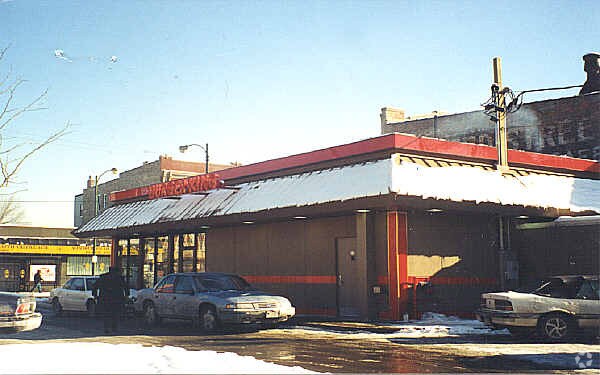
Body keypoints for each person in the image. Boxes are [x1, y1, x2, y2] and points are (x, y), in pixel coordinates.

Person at [92, 266, 129, 334]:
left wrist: (95, 295)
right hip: (116, 299)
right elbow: (126, 287)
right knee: (115, 314)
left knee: (106, 314)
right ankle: (114, 327)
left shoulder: (103, 277)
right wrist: (126, 296)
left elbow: (95, 286)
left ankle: (106, 328)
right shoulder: (119, 278)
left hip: (105, 298)